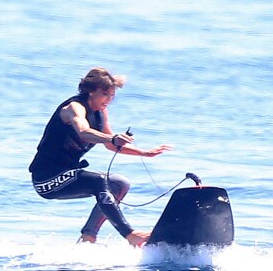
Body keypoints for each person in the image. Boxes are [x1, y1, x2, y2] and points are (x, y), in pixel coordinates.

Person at [29, 67, 171, 247]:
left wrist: (144, 152)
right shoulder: (73, 108)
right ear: (90, 91)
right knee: (99, 182)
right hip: (46, 179)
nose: (109, 100)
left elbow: (111, 145)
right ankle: (131, 235)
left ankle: (88, 238)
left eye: (112, 96)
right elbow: (83, 132)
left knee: (120, 184)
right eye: (105, 94)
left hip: (67, 174)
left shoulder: (101, 113)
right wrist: (112, 137)